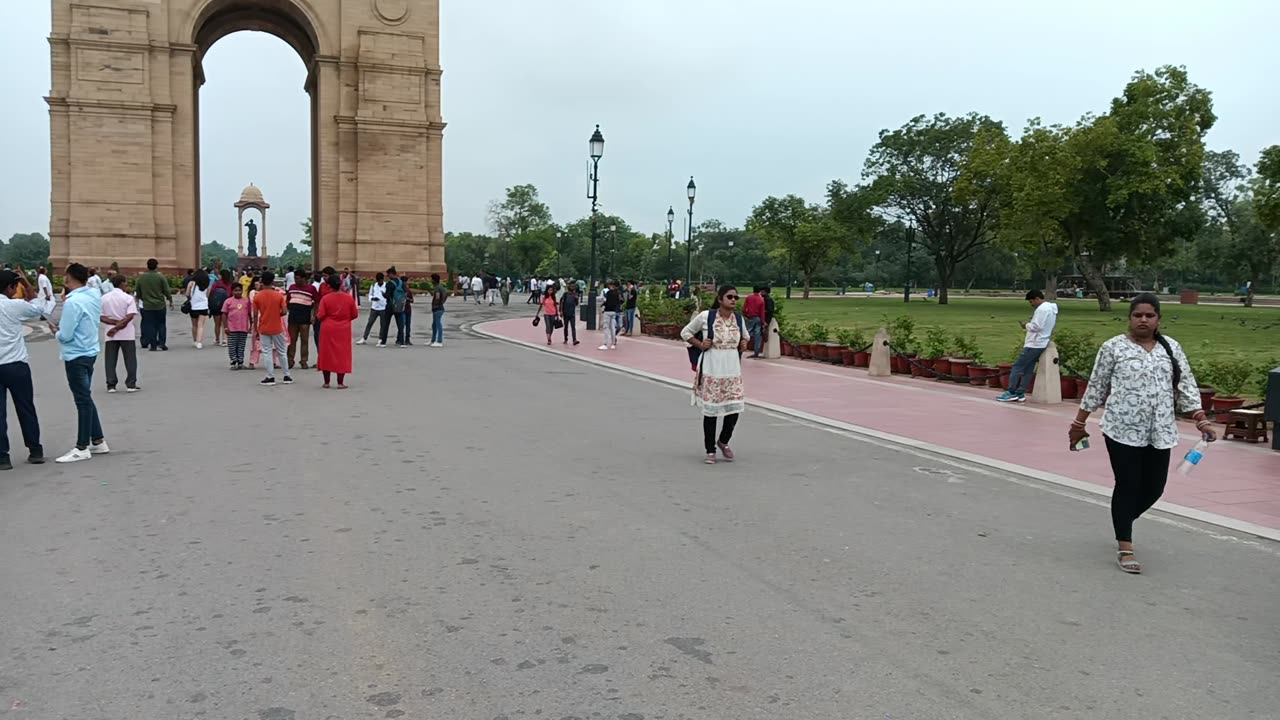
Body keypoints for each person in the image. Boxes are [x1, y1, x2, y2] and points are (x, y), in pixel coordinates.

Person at [1068, 293, 1215, 574]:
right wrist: (1079, 424)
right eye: (1138, 315)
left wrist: (1201, 419)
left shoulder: (1170, 348)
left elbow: (1185, 385)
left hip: (1160, 430)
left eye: (1149, 315)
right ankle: (1125, 546)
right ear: (1130, 318)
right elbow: (1096, 387)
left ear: (1159, 319)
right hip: (1121, 430)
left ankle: (1122, 518)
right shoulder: (1113, 348)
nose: (1143, 320)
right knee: (1127, 484)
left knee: (1155, 488)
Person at [681, 285, 748, 464]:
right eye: (729, 296)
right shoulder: (706, 317)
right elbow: (685, 332)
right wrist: (700, 344)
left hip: (732, 369)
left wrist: (743, 344)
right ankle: (710, 449)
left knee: (734, 408)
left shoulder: (739, 319)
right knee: (711, 411)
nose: (733, 300)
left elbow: (745, 337)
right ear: (720, 299)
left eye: (736, 297)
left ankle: (723, 441)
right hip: (712, 366)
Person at [53, 263, 109, 463]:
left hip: (75, 354)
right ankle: (98, 440)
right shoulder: (93, 294)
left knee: (82, 400)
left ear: (70, 278)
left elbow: (66, 335)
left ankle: (82, 446)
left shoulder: (72, 302)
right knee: (86, 397)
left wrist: (56, 332)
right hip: (90, 350)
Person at [0, 269, 48, 468]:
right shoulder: (14, 306)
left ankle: (2, 456)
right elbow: (38, 307)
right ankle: (35, 450)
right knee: (26, 407)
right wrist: (28, 285)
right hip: (16, 364)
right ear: (10, 287)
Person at [997, 289, 1059, 403]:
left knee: (1017, 366)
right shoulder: (1051, 308)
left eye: (1031, 302)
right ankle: (1020, 392)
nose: (1031, 304)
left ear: (1037, 299)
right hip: (1042, 342)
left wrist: (1026, 325)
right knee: (1028, 368)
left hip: (1034, 343)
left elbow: (1037, 327)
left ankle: (1012, 391)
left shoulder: (1041, 310)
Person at [316, 273, 358, 389]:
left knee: (326, 353)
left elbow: (320, 315)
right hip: (343, 329)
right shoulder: (348, 298)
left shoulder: (325, 298)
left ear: (329, 286)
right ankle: (340, 382)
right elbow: (354, 314)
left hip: (328, 328)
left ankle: (326, 382)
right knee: (342, 354)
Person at [99, 274, 139, 393]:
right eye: (126, 282)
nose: (127, 285)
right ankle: (131, 384)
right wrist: (118, 326)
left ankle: (111, 384)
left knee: (110, 359)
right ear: (121, 283)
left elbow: (101, 317)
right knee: (130, 359)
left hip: (110, 333)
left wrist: (113, 325)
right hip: (126, 333)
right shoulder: (128, 298)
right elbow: (130, 315)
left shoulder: (104, 298)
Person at [252, 271, 291, 386]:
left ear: (261, 282)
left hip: (264, 327)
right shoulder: (278, 295)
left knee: (267, 352)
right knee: (282, 352)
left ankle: (270, 376)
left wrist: (255, 328)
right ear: (273, 281)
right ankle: (286, 375)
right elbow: (284, 311)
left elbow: (255, 315)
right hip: (277, 327)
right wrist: (275, 314)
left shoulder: (257, 297)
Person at [135, 258, 172, 351]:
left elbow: (138, 292)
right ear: (156, 266)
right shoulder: (160, 277)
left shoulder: (142, 278)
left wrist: (140, 299)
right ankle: (162, 343)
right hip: (160, 305)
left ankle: (153, 345)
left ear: (147, 266)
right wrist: (170, 300)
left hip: (147, 305)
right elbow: (167, 291)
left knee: (150, 325)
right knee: (161, 324)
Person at [286, 274, 318, 369]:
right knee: (292, 340)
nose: (296, 280)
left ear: (304, 278)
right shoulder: (292, 287)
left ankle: (303, 361)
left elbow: (316, 302)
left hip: (305, 318)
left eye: (298, 278)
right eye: (295, 278)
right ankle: (290, 360)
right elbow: (288, 299)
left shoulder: (311, 289)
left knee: (304, 340)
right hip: (293, 317)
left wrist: (314, 315)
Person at [223, 283, 251, 370]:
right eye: (236, 290)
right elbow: (224, 314)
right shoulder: (228, 301)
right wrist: (226, 327)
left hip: (243, 328)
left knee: (241, 346)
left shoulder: (246, 301)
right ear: (232, 291)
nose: (238, 292)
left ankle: (240, 362)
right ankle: (233, 362)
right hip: (232, 328)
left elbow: (250, 314)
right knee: (232, 345)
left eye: (239, 290)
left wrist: (251, 325)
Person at [379, 267, 407, 347]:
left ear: (391, 274)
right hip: (399, 305)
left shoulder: (389, 284)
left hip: (390, 306)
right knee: (400, 325)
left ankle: (383, 342)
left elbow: (387, 296)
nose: (388, 276)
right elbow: (405, 292)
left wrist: (383, 294)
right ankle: (402, 342)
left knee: (386, 324)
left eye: (388, 275)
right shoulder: (401, 282)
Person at [359, 272, 387, 345]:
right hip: (374, 307)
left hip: (383, 307)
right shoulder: (374, 285)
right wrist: (373, 298)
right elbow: (370, 294)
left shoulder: (386, 286)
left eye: (380, 281)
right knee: (370, 322)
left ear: (382, 280)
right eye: (378, 281)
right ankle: (364, 338)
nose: (379, 282)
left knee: (383, 324)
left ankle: (381, 338)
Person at [208, 269, 234, 347]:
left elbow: (211, 293)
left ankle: (217, 339)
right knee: (225, 324)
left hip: (216, 305)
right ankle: (225, 340)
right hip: (227, 306)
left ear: (221, 275)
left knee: (217, 324)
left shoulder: (216, 283)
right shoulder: (230, 284)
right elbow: (231, 295)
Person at [185, 270, 210, 349]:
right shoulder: (207, 285)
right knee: (201, 325)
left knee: (194, 325)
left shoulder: (191, 283)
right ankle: (199, 342)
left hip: (194, 306)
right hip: (203, 306)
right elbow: (207, 296)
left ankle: (195, 340)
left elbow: (187, 294)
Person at [742, 286, 766, 358]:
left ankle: (741, 347)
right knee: (757, 335)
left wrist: (746, 315)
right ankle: (756, 352)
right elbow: (762, 312)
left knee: (746, 334)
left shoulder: (749, 298)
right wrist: (763, 321)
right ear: (759, 291)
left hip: (750, 317)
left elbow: (744, 308)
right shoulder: (761, 299)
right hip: (758, 318)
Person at [599, 280, 621, 350]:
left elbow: (607, 302)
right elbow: (618, 302)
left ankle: (605, 344)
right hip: (614, 311)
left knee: (606, 327)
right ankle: (613, 343)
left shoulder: (609, 293)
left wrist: (603, 306)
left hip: (608, 311)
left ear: (611, 285)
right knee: (612, 328)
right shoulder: (617, 293)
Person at [429, 273, 447, 347]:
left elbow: (437, 297)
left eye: (431, 279)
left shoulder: (437, 288)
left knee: (438, 324)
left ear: (434, 280)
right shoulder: (441, 287)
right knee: (434, 325)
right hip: (440, 307)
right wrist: (442, 302)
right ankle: (433, 340)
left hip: (437, 308)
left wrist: (436, 304)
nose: (431, 280)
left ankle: (439, 341)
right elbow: (446, 296)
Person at [402, 277, 415, 345]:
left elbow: (412, 300)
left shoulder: (408, 291)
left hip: (408, 309)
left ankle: (407, 339)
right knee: (402, 325)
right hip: (402, 309)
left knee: (408, 325)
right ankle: (400, 339)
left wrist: (408, 299)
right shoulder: (400, 290)